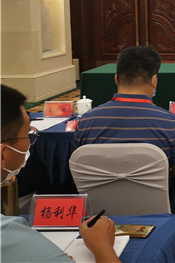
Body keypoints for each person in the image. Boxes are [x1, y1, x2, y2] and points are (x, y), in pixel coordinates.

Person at [74, 46, 175, 216]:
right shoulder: (170, 123)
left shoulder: (86, 121)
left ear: (116, 79)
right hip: (159, 206)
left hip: (99, 208)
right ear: (154, 80)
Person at [1, 85, 120, 263]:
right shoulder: (7, 234)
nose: (30, 142)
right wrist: (103, 247)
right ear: (3, 154)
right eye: (27, 134)